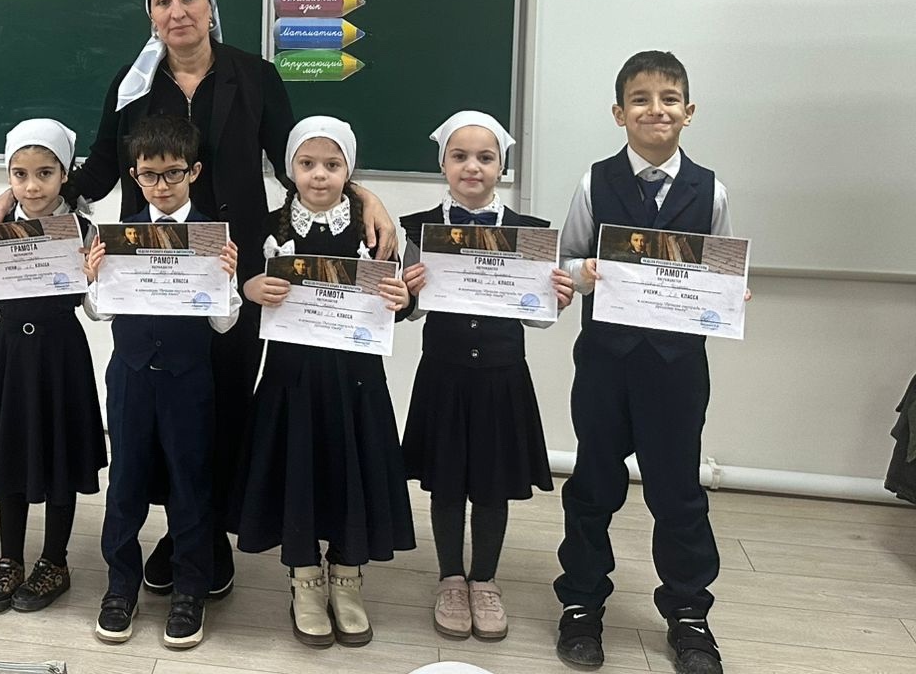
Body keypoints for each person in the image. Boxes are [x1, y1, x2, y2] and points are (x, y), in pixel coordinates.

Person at [0, 0, 396, 599]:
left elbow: (295, 161)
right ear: (151, 15)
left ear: (209, 6)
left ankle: (207, 536)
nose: (177, 11)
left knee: (223, 400)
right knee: (157, 404)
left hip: (233, 267)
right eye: (163, 1)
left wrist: (364, 193)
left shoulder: (253, 75)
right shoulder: (133, 83)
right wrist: (24, 195)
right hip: (152, 272)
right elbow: (99, 171)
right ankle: (177, 531)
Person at [553, 51, 741, 674]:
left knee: (678, 491)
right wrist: (585, 271)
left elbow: (720, 268)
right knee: (593, 486)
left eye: (668, 99)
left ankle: (689, 615)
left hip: (676, 369)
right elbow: (567, 262)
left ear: (689, 111)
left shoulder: (711, 190)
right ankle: (581, 603)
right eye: (640, 99)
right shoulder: (593, 182)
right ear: (619, 113)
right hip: (605, 364)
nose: (654, 109)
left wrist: (728, 294)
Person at [237, 116, 418, 648]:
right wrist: (250, 288)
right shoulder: (267, 226)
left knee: (349, 469)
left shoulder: (373, 230)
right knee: (299, 470)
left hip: (355, 380)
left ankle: (347, 574)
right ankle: (304, 578)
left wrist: (404, 299)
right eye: (307, 164)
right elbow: (239, 288)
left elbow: (401, 296)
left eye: (333, 165)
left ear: (349, 171)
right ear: (290, 168)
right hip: (291, 379)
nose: (320, 175)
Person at [397, 111, 575, 644]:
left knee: (493, 484)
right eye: (459, 157)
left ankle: (485, 580)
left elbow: (537, 318)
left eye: (485, 157)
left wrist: (556, 299)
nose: (472, 167)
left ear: (502, 166)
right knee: (447, 482)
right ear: (443, 165)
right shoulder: (418, 230)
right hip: (444, 374)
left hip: (501, 376)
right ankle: (451, 579)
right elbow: (409, 311)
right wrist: (409, 291)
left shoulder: (529, 233)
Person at [83, 114, 239, 650]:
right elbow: (100, 313)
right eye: (150, 175)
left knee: (190, 486)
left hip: (188, 380)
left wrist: (226, 279)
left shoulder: (212, 238)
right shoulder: (119, 234)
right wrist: (94, 278)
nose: (163, 185)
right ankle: (120, 586)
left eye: (174, 173)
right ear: (135, 175)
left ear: (194, 172)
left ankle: (190, 590)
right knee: (125, 483)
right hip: (130, 377)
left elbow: (224, 324)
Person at [0, 119, 106, 615]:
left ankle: (55, 560)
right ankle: (9, 560)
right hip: (10, 353)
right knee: (11, 457)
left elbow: (98, 310)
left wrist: (94, 279)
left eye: (44, 173)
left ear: (65, 174)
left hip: (62, 356)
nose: (32, 186)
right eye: (20, 175)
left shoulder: (85, 229)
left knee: (61, 457)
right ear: (8, 177)